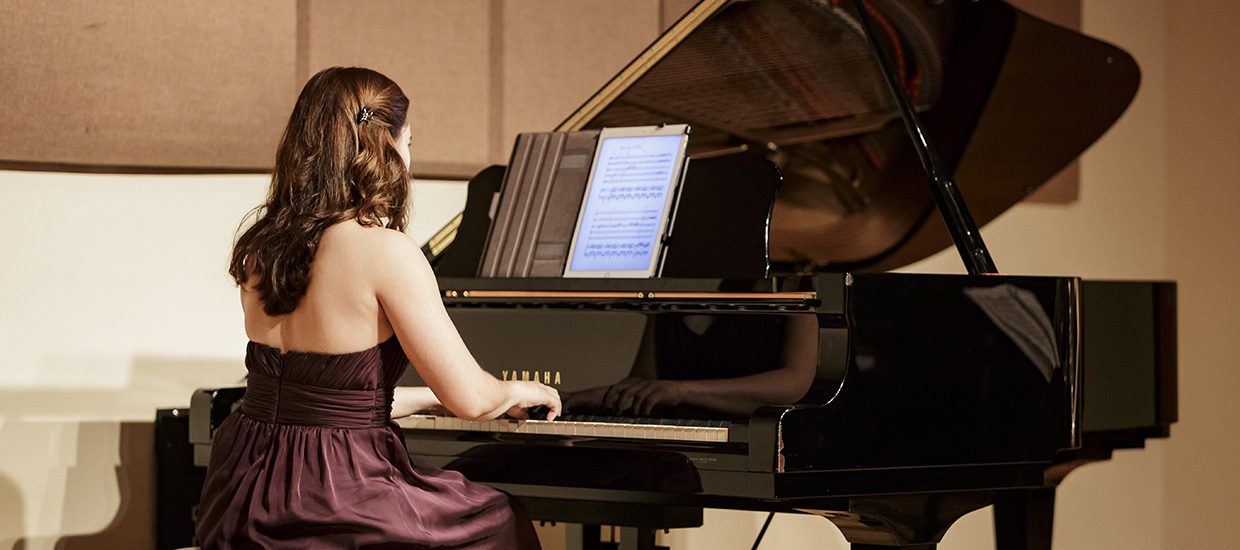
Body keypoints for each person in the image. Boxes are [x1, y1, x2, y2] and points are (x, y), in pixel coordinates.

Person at [195, 66, 561, 549]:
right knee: (500, 520)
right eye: (408, 142)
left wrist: (427, 398)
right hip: (335, 500)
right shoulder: (385, 252)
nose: (409, 157)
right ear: (383, 148)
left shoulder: (262, 248)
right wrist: (510, 391)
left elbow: (321, 401)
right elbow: (473, 400)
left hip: (243, 493)